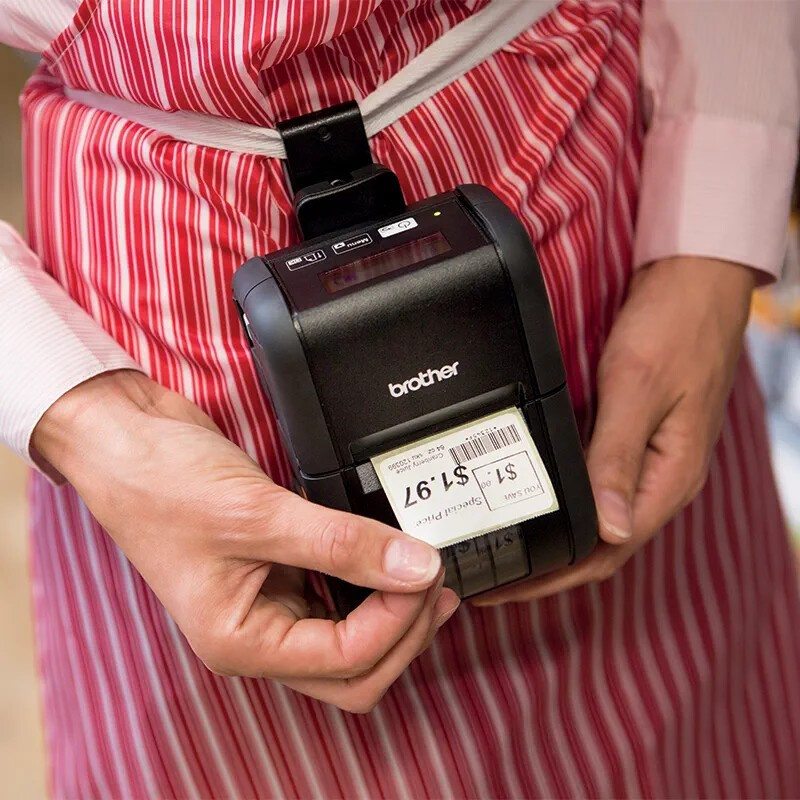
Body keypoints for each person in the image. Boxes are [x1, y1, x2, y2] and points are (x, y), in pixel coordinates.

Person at [1, 0, 799, 796]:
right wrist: (88, 419)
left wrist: (713, 219)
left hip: (571, 181)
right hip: (164, 350)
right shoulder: (123, 432)